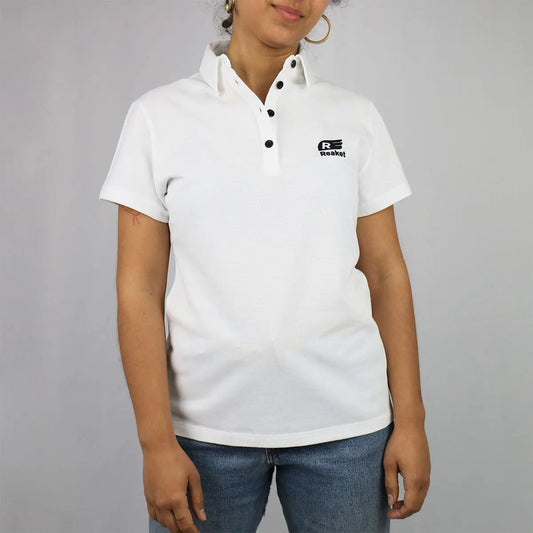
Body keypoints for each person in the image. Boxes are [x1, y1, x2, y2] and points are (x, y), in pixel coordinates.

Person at [98, 1, 431, 532]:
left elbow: (386, 273)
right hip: (203, 433)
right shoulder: (157, 117)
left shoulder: (355, 116)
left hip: (347, 427)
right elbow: (138, 289)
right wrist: (155, 442)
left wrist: (410, 420)